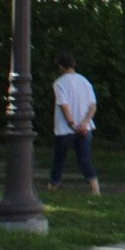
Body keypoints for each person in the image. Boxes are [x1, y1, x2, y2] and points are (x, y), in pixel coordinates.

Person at [50, 51, 99, 194]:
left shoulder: (59, 83)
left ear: (60, 66)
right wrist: (84, 123)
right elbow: (93, 106)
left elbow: (63, 105)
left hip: (65, 129)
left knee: (59, 158)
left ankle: (54, 185)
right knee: (84, 159)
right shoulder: (85, 81)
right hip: (85, 128)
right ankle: (95, 187)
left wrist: (72, 124)